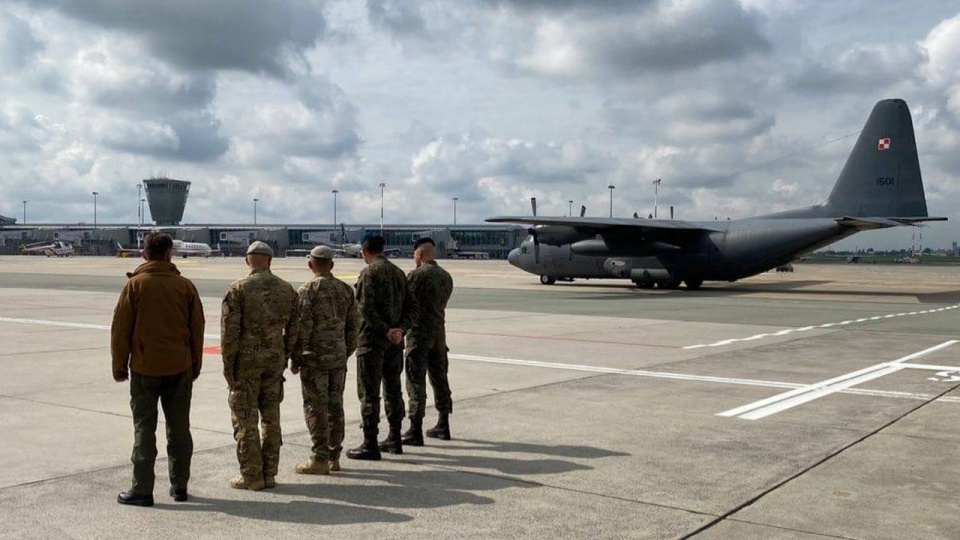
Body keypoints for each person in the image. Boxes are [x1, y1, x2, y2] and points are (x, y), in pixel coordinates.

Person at [111, 232, 205, 507]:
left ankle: (142, 489)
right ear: (169, 254)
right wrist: (195, 364)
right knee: (179, 428)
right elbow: (197, 328)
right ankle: (180, 486)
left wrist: (119, 366)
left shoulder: (134, 286)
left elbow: (120, 330)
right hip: (180, 367)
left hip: (144, 367)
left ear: (144, 254)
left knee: (144, 428)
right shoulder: (185, 286)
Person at [221, 241, 298, 490]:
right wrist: (284, 354)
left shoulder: (238, 289)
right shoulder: (287, 290)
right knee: (271, 419)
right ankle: (270, 473)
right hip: (274, 363)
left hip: (247, 364)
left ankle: (252, 475)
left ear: (247, 260)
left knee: (245, 419)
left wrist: (228, 365)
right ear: (270, 260)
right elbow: (295, 330)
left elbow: (229, 333)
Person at [347, 232, 417, 460]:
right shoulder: (399, 273)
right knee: (393, 390)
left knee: (369, 394)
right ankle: (395, 439)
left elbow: (365, 308)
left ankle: (370, 443)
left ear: (364, 250)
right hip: (394, 344)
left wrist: (386, 329)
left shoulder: (369, 272)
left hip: (372, 342)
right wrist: (400, 330)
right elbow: (413, 308)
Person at [291, 245, 359, 475]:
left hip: (315, 359)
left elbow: (303, 327)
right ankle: (333, 456)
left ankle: (319, 457)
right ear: (331, 265)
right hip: (337, 357)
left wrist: (297, 356)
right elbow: (353, 327)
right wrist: (345, 350)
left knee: (315, 406)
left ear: (311, 264)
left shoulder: (307, 290)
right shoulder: (345, 290)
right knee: (335, 406)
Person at [401, 238, 455, 445]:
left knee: (416, 381)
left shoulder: (416, 276)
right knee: (440, 378)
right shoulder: (446, 277)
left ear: (420, 254)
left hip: (418, 335)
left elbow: (407, 303)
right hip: (439, 334)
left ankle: (415, 428)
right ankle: (443, 423)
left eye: (414, 254)